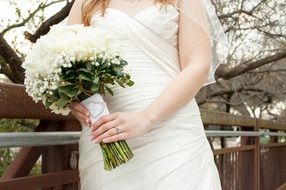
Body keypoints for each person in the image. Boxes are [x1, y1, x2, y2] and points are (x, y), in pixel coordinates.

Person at [67, 0, 228, 189]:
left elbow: (197, 64)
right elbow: (66, 59)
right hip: (106, 132)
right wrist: (71, 98)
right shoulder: (85, 2)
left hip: (172, 132)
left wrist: (147, 118)